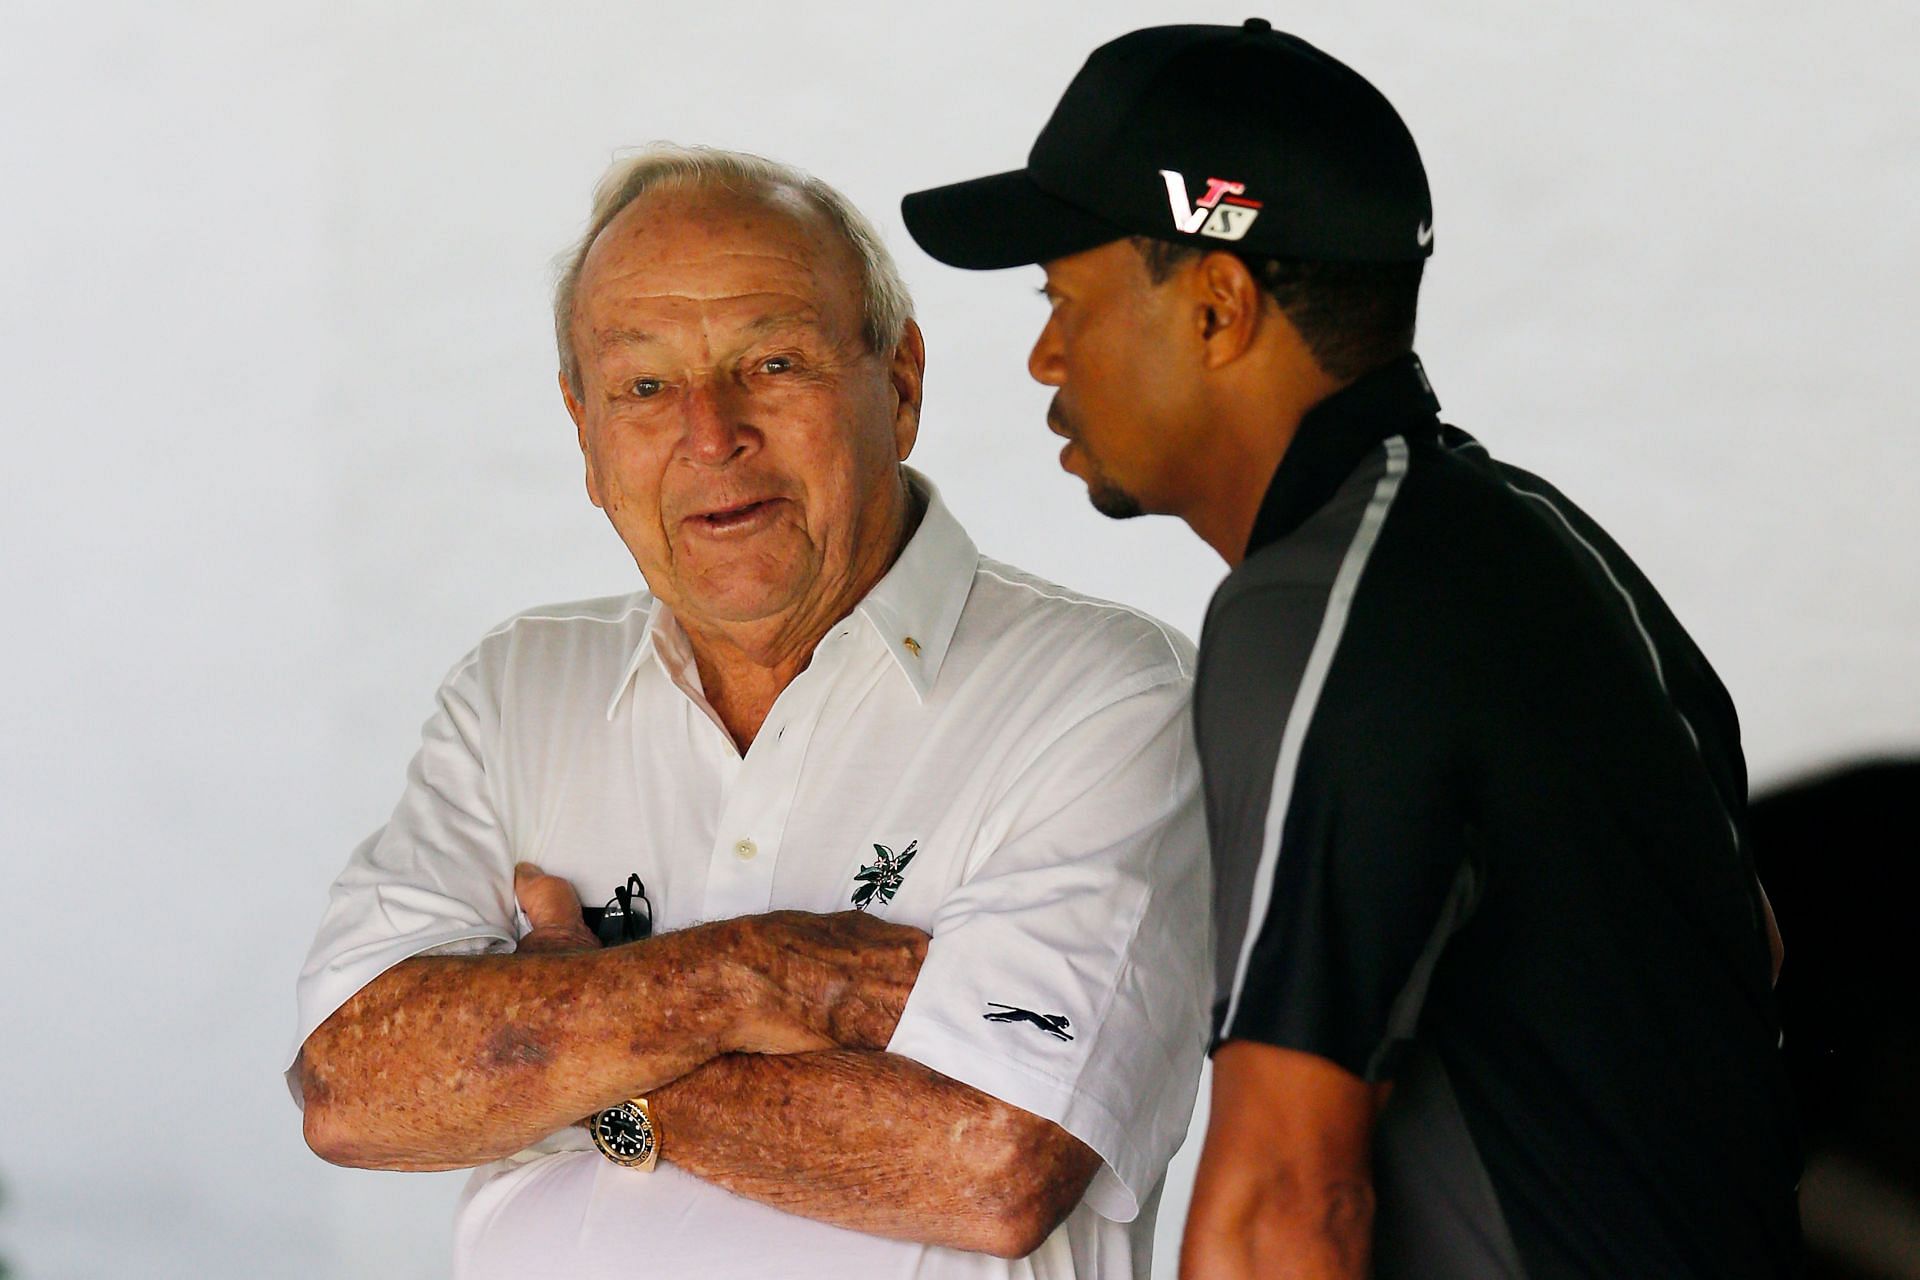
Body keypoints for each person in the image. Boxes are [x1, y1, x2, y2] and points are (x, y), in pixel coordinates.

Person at [902, 20, 1799, 1279]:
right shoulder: (1540, 545)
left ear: (1217, 306)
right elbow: (1742, 951)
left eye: (1064, 297)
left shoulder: (1324, 604)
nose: (1045, 354)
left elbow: (1281, 1203)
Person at [287, 144, 1210, 1280]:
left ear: (902, 384)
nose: (711, 433)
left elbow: (993, 1160)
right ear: (585, 432)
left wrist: (563, 1049)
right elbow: (351, 1086)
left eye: (773, 362)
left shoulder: (1107, 693)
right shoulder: (519, 686)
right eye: (643, 386)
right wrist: (754, 975)